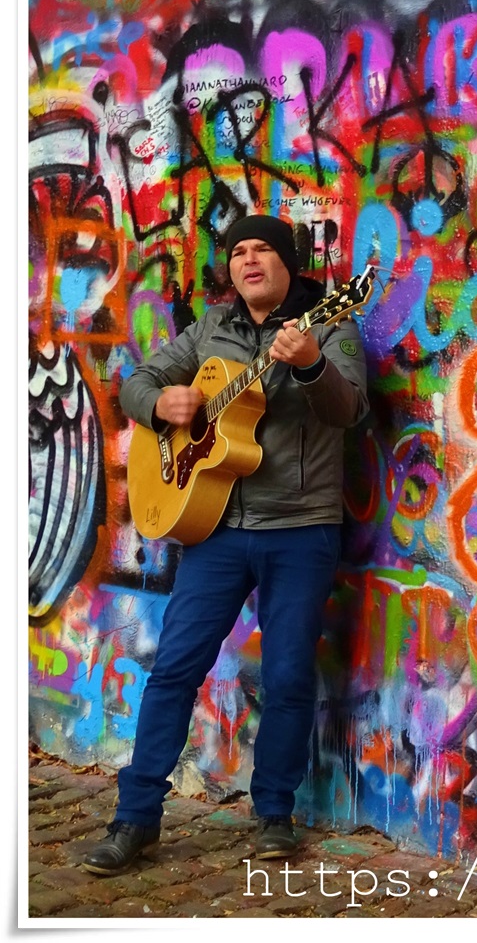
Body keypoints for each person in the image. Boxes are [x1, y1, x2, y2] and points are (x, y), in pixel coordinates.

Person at [88, 214, 368, 874]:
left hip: (300, 527)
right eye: (239, 251)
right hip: (214, 528)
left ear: (289, 263)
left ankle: (274, 813)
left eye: (263, 249)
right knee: (174, 668)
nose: (249, 260)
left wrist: (311, 364)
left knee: (289, 674)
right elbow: (137, 380)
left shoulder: (331, 324)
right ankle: (135, 817)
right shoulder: (212, 327)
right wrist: (162, 405)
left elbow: (349, 410)